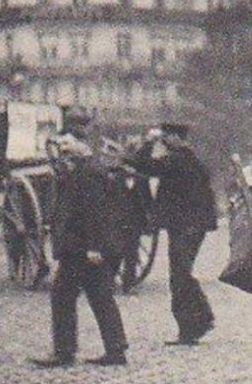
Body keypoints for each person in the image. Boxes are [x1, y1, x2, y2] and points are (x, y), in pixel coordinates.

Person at [31, 134, 130, 367]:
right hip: (81, 248)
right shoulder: (86, 173)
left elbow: (94, 213)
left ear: (73, 157)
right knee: (99, 296)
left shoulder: (85, 177)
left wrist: (94, 247)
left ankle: (65, 351)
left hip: (83, 249)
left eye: (64, 156)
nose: (60, 162)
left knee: (64, 296)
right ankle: (115, 348)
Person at [128, 122, 218, 345]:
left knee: (180, 275)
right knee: (181, 274)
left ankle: (194, 325)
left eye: (167, 138)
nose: (164, 143)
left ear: (177, 138)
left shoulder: (178, 159)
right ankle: (198, 322)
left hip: (186, 226)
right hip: (191, 225)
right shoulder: (186, 158)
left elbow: (144, 165)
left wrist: (147, 143)